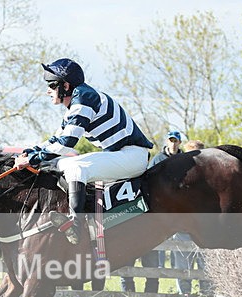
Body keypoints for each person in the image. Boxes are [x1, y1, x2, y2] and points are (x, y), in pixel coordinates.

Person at [13, 58, 153, 245]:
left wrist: (33, 160)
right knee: (60, 164)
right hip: (121, 154)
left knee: (75, 168)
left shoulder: (84, 98)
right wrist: (30, 152)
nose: (48, 91)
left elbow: (66, 144)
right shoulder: (78, 101)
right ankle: (84, 210)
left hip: (132, 156)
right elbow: (56, 138)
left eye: (52, 85)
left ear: (66, 85)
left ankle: (76, 225)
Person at [120, 130, 183, 293]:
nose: (173, 143)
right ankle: (128, 294)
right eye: (170, 140)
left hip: (153, 222)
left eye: (176, 141)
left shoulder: (184, 161)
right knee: (127, 260)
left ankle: (152, 294)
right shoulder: (154, 163)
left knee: (152, 260)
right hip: (132, 223)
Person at [171, 139, 213, 295]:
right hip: (182, 230)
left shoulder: (210, 177)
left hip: (203, 230)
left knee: (206, 267)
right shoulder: (177, 176)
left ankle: (206, 296)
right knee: (183, 267)